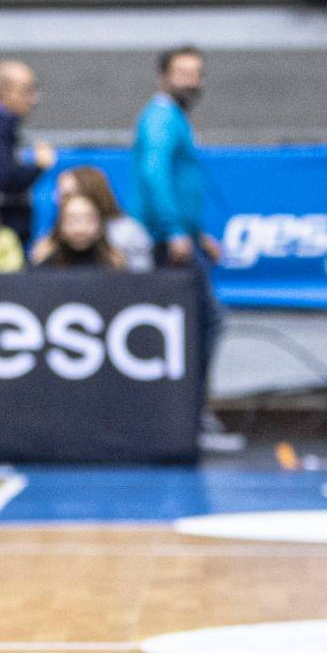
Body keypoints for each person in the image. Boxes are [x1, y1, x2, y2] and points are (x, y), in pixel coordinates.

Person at [131, 45, 221, 394]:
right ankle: (190, 410)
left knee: (184, 326)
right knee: (201, 323)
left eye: (196, 74)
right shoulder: (161, 118)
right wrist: (175, 231)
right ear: (162, 78)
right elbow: (155, 174)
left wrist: (197, 235)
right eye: (182, 73)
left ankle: (186, 411)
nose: (191, 81)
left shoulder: (174, 119)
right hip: (164, 243)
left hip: (177, 239)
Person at [0, 59, 53, 245]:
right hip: (0, 237)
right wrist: (38, 165)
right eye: (27, 91)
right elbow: (4, 181)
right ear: (4, 91)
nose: (34, 99)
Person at [51, 165, 152, 271]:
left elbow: (143, 278)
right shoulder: (59, 232)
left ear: (91, 193)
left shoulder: (125, 233)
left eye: (66, 195)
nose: (56, 199)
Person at [30, 188, 125, 269]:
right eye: (72, 220)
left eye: (88, 219)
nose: (80, 228)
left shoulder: (114, 265)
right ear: (60, 225)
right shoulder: (44, 266)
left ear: (100, 225)